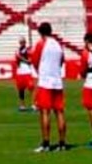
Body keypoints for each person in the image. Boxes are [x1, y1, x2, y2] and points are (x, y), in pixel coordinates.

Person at [31, 22, 67, 153]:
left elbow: (34, 61)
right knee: (60, 112)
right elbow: (62, 60)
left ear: (41, 33)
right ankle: (62, 143)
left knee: (45, 112)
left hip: (45, 82)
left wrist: (41, 71)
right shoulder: (58, 45)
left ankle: (46, 143)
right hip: (57, 81)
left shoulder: (41, 44)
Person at [14, 37, 35, 112]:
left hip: (27, 71)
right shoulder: (17, 50)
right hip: (20, 72)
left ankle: (33, 105)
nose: (22, 43)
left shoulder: (28, 50)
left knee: (31, 88)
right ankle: (22, 105)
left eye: (23, 42)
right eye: (21, 42)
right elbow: (17, 58)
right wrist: (24, 60)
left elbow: (30, 60)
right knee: (21, 89)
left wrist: (24, 59)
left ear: (25, 42)